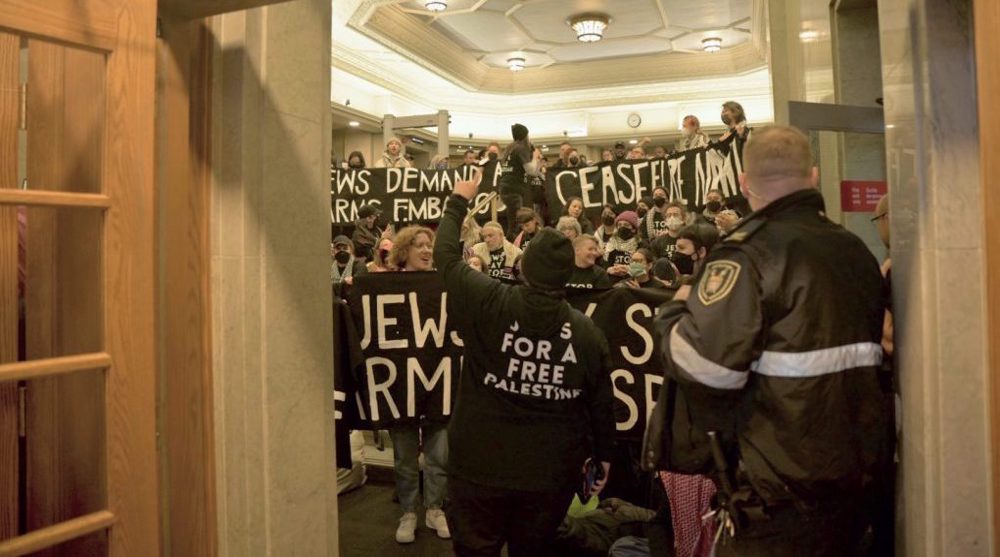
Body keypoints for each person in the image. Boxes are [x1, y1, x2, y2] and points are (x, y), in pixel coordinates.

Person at [647, 126, 886, 557]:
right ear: (813, 176)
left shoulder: (747, 255)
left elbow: (705, 368)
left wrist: (673, 314)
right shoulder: (854, 249)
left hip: (780, 494)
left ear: (743, 182)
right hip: (856, 486)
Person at [434, 173, 615, 557]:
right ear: (567, 276)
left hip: (478, 466)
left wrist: (458, 200)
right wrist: (603, 458)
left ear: (524, 268)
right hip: (548, 475)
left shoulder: (490, 299)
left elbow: (446, 257)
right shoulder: (587, 333)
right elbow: (601, 404)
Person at [383, 225, 450, 543]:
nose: (426, 250)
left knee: (439, 455)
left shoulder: (443, 284)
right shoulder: (384, 285)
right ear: (404, 250)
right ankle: (409, 511)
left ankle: (434, 508)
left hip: (437, 380)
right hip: (400, 385)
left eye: (429, 245)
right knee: (404, 457)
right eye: (419, 245)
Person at [499, 124, 543, 239]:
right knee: (517, 223)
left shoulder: (511, 148)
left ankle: (513, 243)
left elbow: (534, 171)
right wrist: (535, 156)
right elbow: (531, 171)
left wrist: (538, 162)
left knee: (513, 221)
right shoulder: (521, 148)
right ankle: (513, 246)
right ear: (525, 135)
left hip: (507, 187)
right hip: (513, 188)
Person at [604, 211, 641, 282]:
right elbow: (605, 265)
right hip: (613, 279)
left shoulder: (640, 244)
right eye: (619, 225)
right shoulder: (611, 243)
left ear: (633, 229)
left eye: (626, 225)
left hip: (633, 279)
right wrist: (611, 270)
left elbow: (642, 267)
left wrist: (627, 269)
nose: (622, 227)